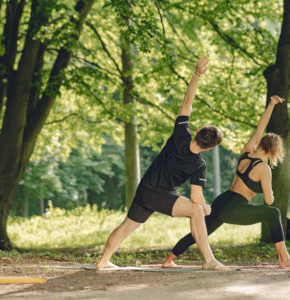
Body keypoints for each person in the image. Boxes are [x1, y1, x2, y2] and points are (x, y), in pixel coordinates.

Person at [96, 57, 229, 271]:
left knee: (127, 226)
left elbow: (187, 102)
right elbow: (196, 197)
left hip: (145, 188)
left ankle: (103, 261)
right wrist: (205, 207)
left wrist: (196, 74)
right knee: (196, 210)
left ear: (197, 132)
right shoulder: (199, 165)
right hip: (157, 195)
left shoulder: (180, 133)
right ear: (209, 148)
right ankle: (209, 260)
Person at [163, 95, 290, 268]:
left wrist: (272, 105)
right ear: (274, 151)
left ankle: (169, 259)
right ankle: (284, 259)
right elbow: (268, 201)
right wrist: (271, 192)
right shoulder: (264, 169)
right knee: (273, 212)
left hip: (222, 200)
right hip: (235, 207)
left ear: (260, 143)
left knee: (200, 232)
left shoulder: (248, 151)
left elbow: (260, 126)